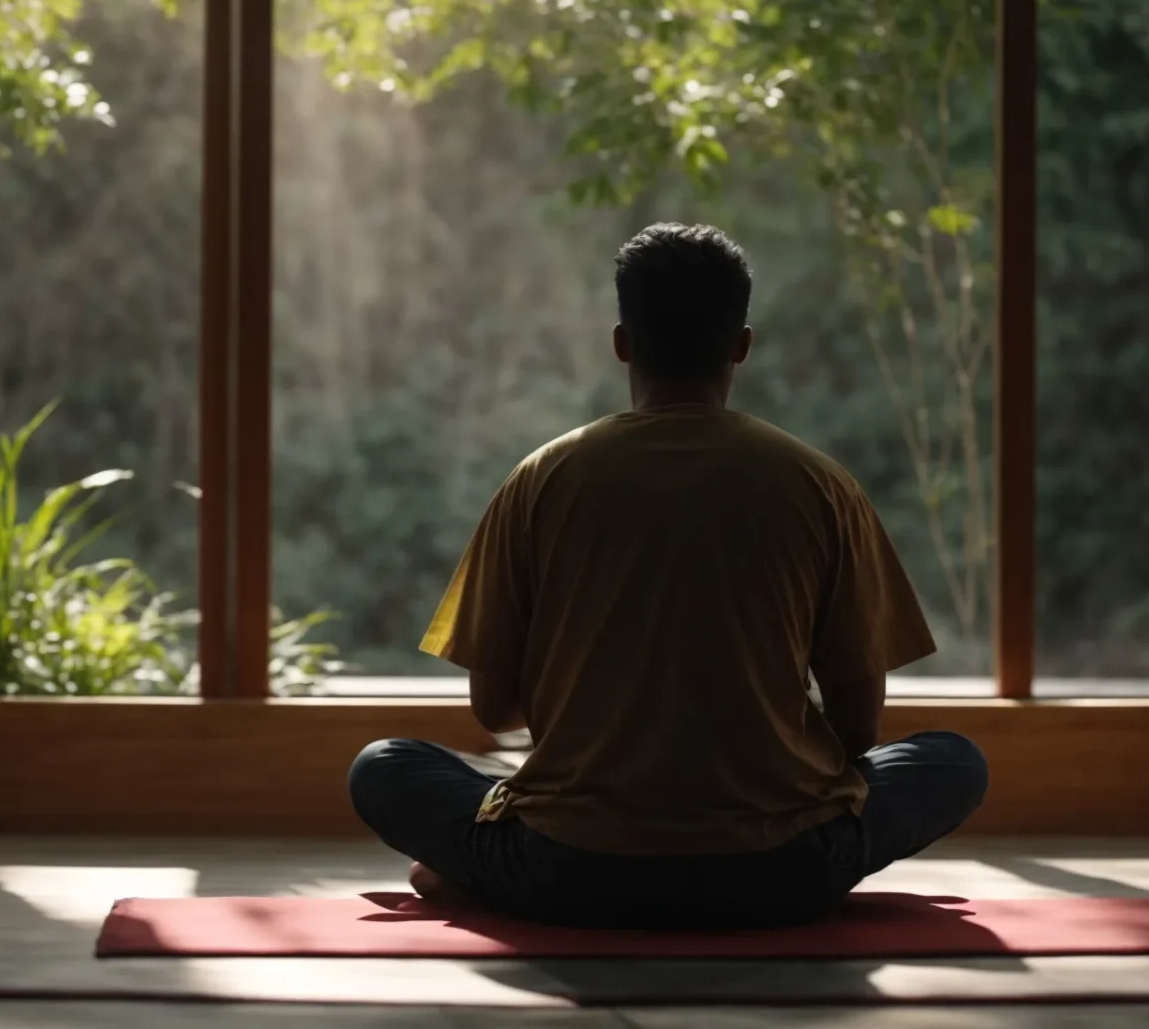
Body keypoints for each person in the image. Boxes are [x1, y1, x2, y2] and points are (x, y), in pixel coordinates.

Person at [347, 222, 988, 929]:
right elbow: (860, 726)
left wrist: (607, 724)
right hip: (782, 870)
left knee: (385, 766)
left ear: (623, 341)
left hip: (567, 865)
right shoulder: (819, 485)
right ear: (742, 344)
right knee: (951, 762)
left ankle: (489, 869)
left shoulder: (541, 480)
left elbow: (494, 709)